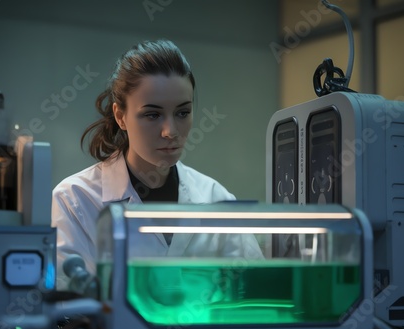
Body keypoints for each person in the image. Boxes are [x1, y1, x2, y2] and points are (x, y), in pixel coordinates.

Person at [52, 39, 262, 290]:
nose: (170, 131)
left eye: (182, 113)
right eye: (152, 115)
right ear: (120, 116)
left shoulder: (215, 198)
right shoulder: (76, 199)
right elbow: (72, 308)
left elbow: (252, 291)